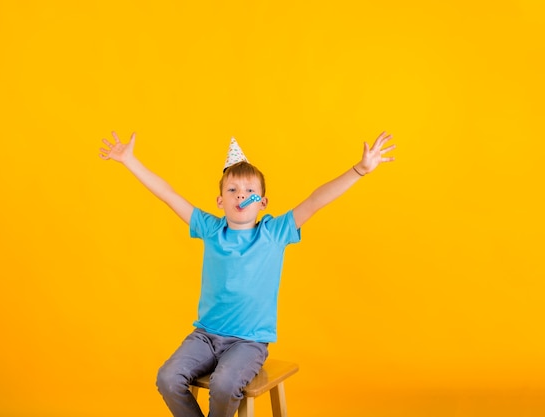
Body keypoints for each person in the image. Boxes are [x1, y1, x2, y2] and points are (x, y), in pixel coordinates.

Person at [99, 131, 395, 417]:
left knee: (225, 384)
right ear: (220, 201)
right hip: (204, 337)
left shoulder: (274, 233)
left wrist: (359, 170)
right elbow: (168, 195)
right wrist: (130, 161)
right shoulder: (210, 228)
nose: (241, 195)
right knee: (167, 378)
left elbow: (316, 200)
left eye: (250, 191)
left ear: (262, 202)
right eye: (232, 190)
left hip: (248, 342)